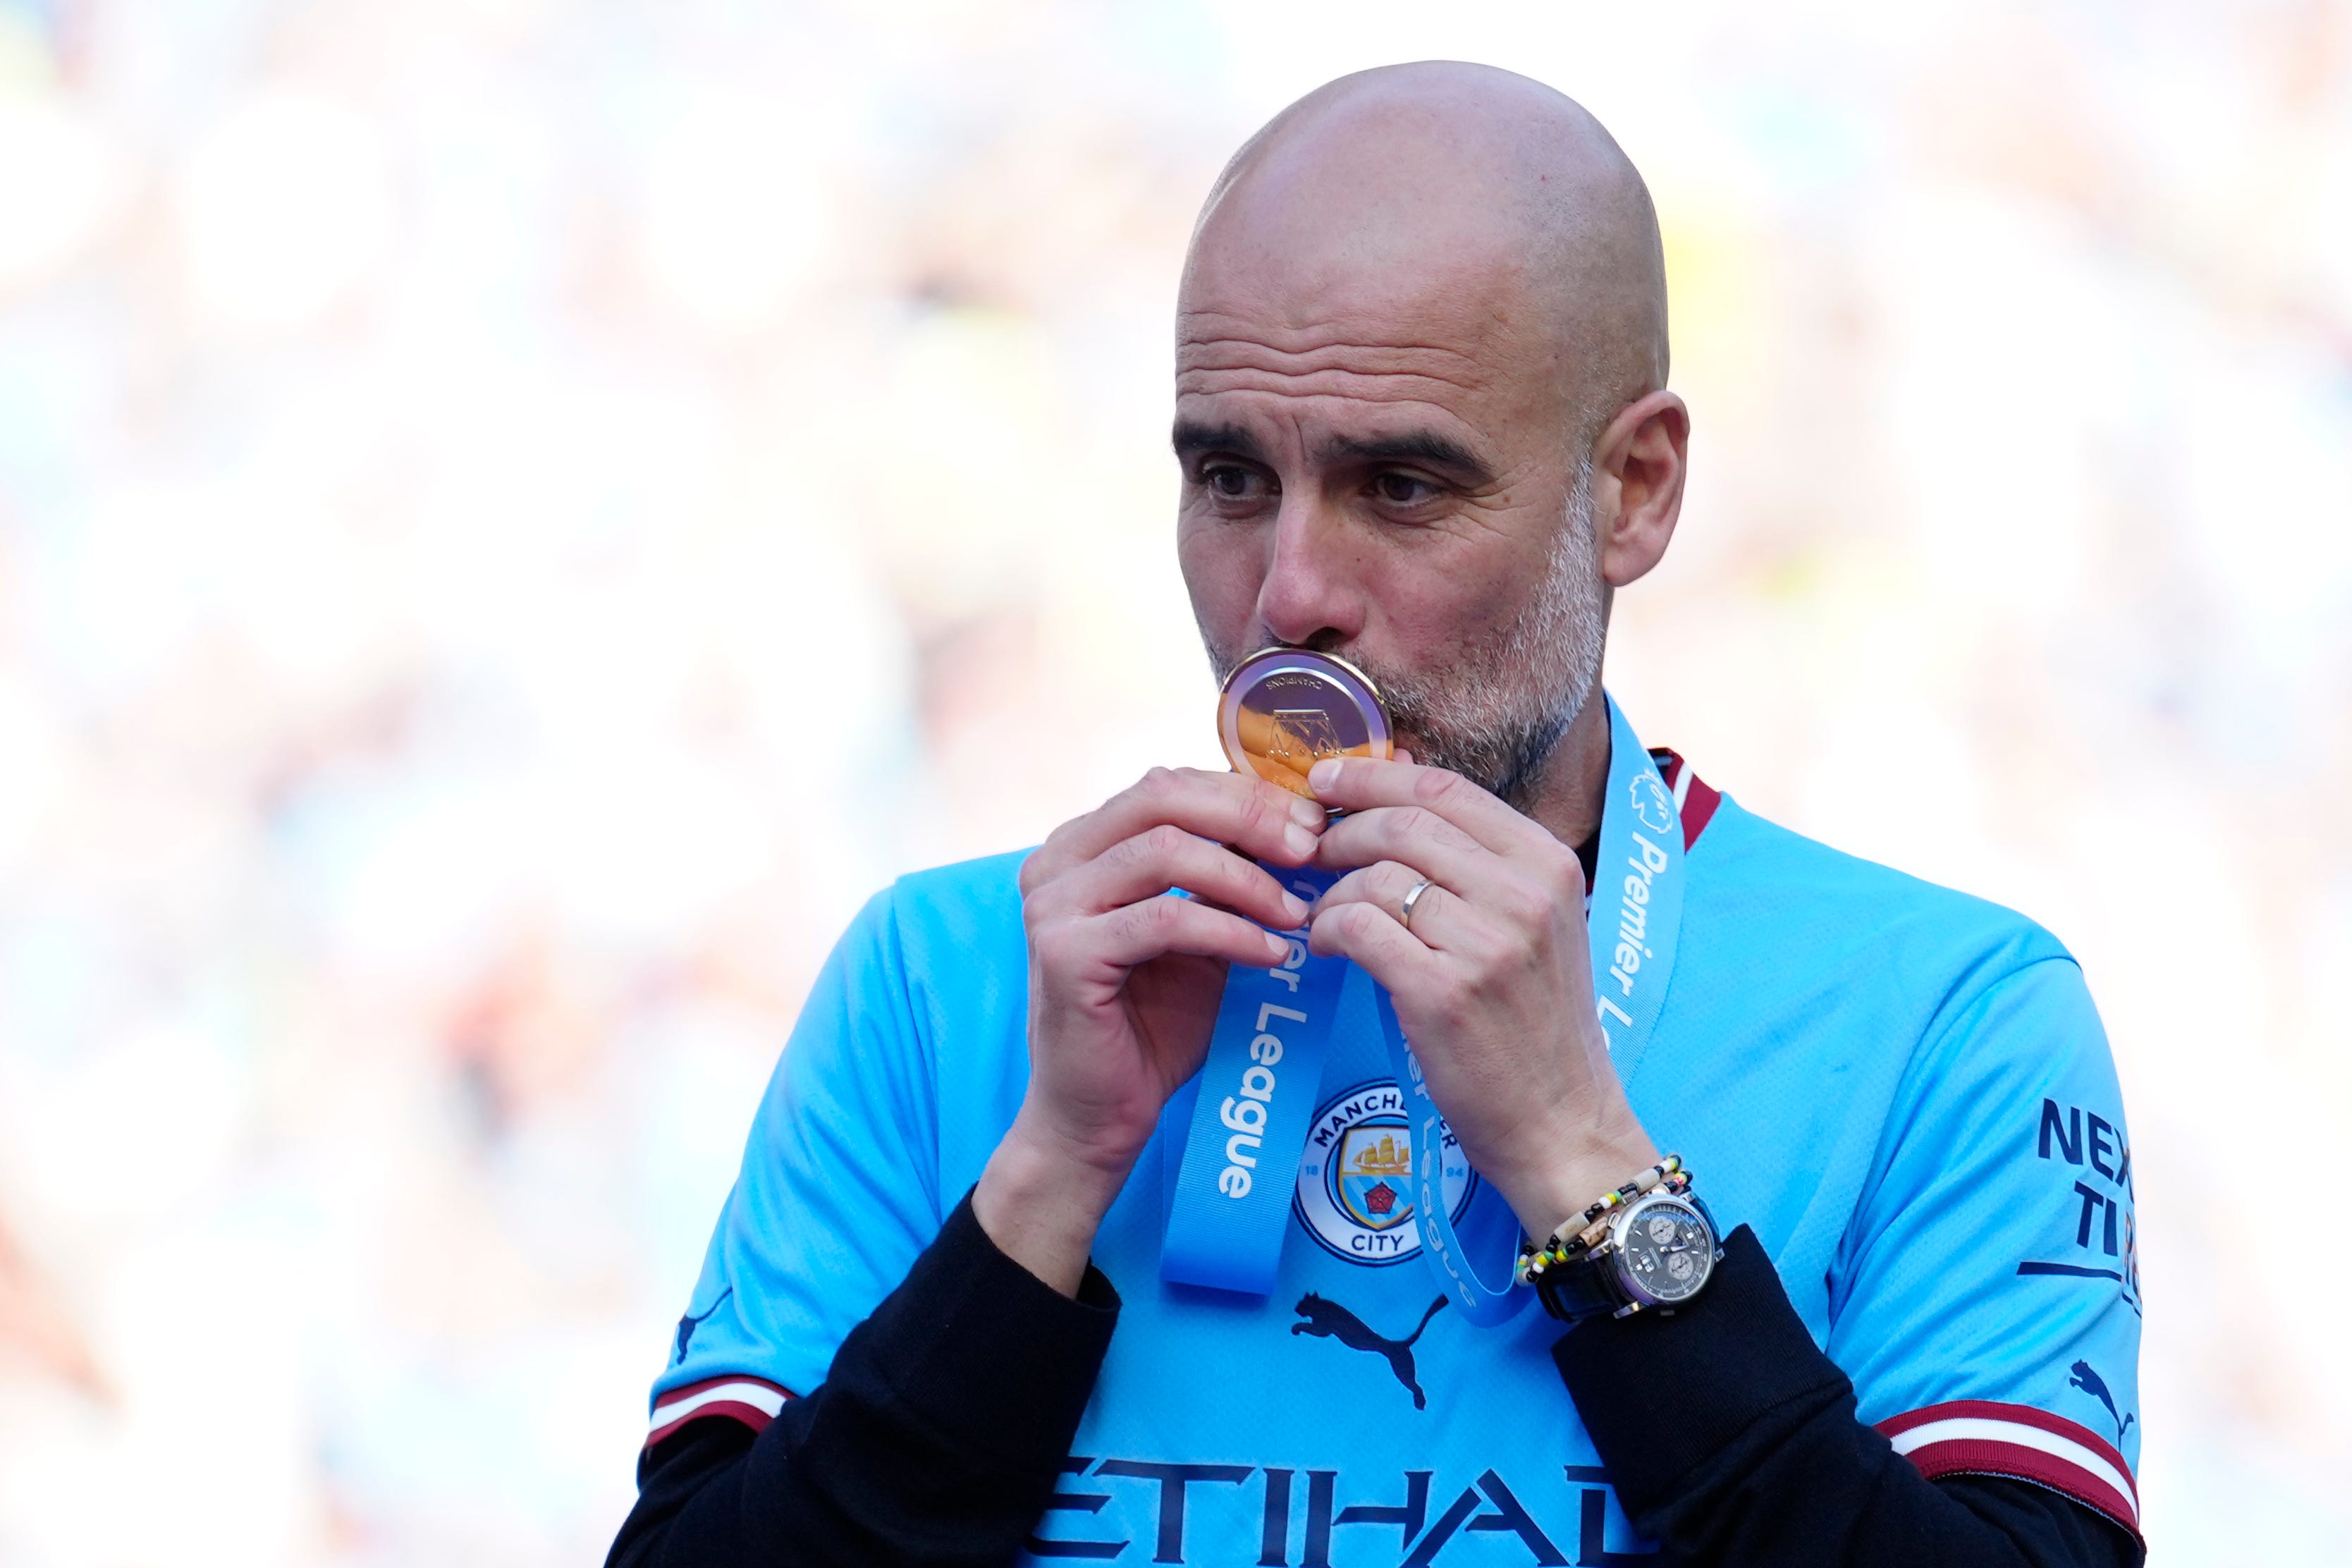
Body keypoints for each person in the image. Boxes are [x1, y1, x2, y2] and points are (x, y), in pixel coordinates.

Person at [607, 61, 2143, 1568]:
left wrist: (1585, 1169)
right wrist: (1046, 1179)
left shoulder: (1948, 1015)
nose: (1289, 593)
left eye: (1401, 485)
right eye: (1228, 475)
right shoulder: (939, 977)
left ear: (1636, 489)